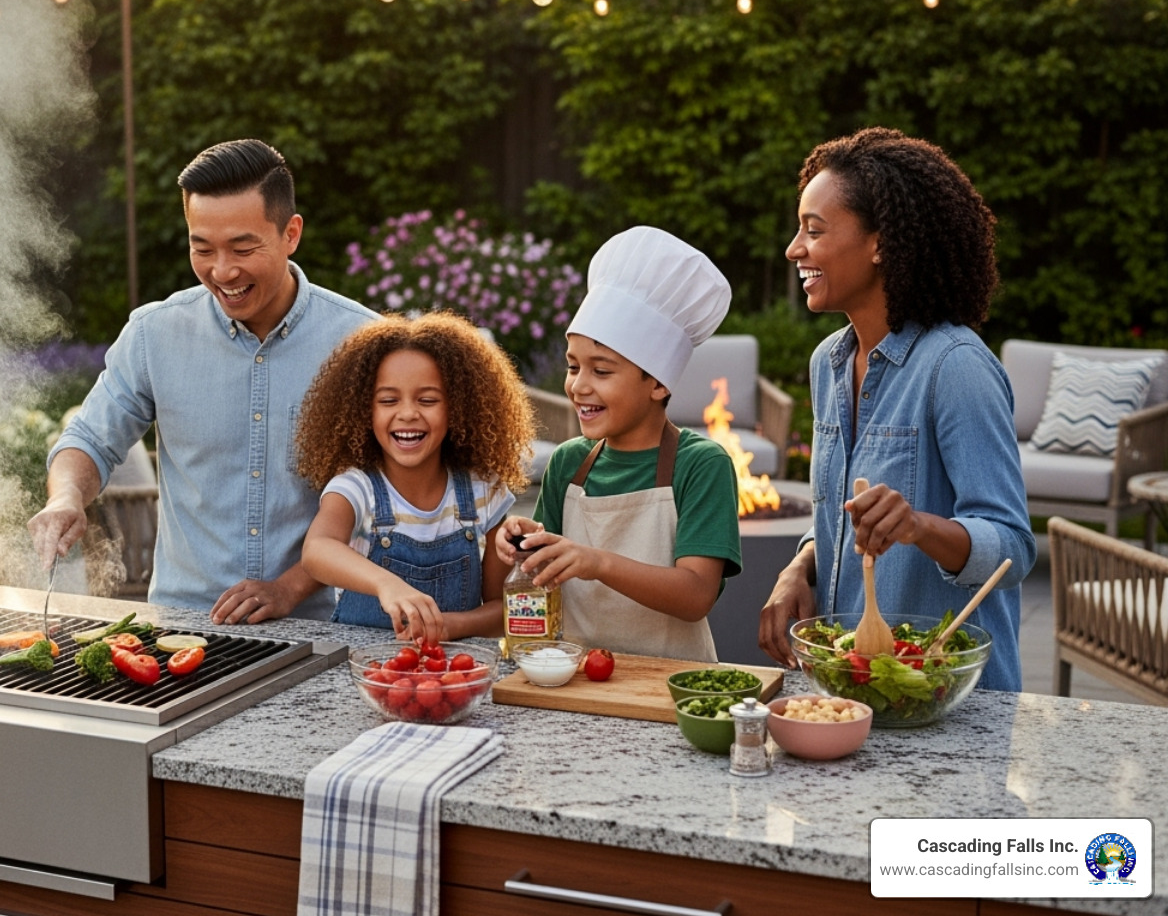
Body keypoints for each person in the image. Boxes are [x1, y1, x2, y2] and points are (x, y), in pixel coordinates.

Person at [29, 139, 376, 622]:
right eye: (202, 248)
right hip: (184, 622)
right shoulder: (154, 334)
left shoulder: (362, 341)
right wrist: (66, 497)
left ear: (291, 233)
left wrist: (288, 589)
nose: (222, 271)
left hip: (323, 623)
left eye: (242, 247)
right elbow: (89, 439)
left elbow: (387, 492)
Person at [756, 127, 1036, 691]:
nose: (794, 248)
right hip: (855, 687)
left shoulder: (955, 366)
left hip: (948, 699)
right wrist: (798, 567)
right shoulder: (828, 363)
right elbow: (841, 513)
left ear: (880, 243)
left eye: (814, 230)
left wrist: (917, 525)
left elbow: (1012, 546)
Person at [495, 227, 742, 660]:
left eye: (602, 371)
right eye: (573, 367)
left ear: (658, 384)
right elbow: (545, 571)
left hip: (672, 684)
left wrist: (598, 562)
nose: (578, 386)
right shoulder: (569, 462)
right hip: (574, 675)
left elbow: (696, 595)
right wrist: (524, 543)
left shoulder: (700, 464)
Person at [297, 312, 537, 644]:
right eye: (388, 400)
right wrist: (386, 584)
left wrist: (452, 626)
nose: (408, 413)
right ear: (363, 411)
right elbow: (317, 550)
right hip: (361, 672)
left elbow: (502, 610)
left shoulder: (485, 491)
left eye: (427, 400)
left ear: (458, 408)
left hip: (451, 672)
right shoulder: (357, 488)